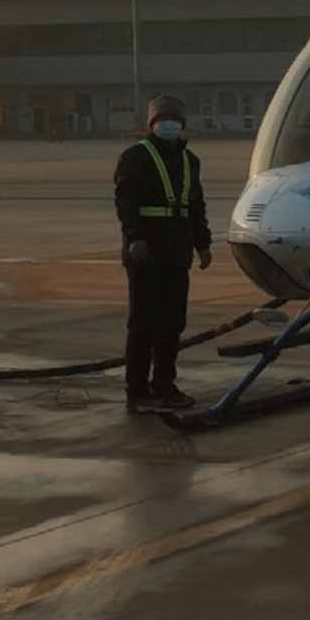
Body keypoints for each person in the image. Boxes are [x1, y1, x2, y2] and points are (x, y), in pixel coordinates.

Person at [115, 95, 212, 413]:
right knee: (143, 323)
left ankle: (164, 385)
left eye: (174, 120)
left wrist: (203, 244)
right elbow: (126, 202)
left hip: (177, 253)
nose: (168, 125)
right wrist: (134, 238)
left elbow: (195, 205)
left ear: (181, 125)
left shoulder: (190, 161)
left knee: (172, 324)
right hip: (145, 252)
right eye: (162, 120)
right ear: (152, 124)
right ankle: (137, 390)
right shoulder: (135, 157)